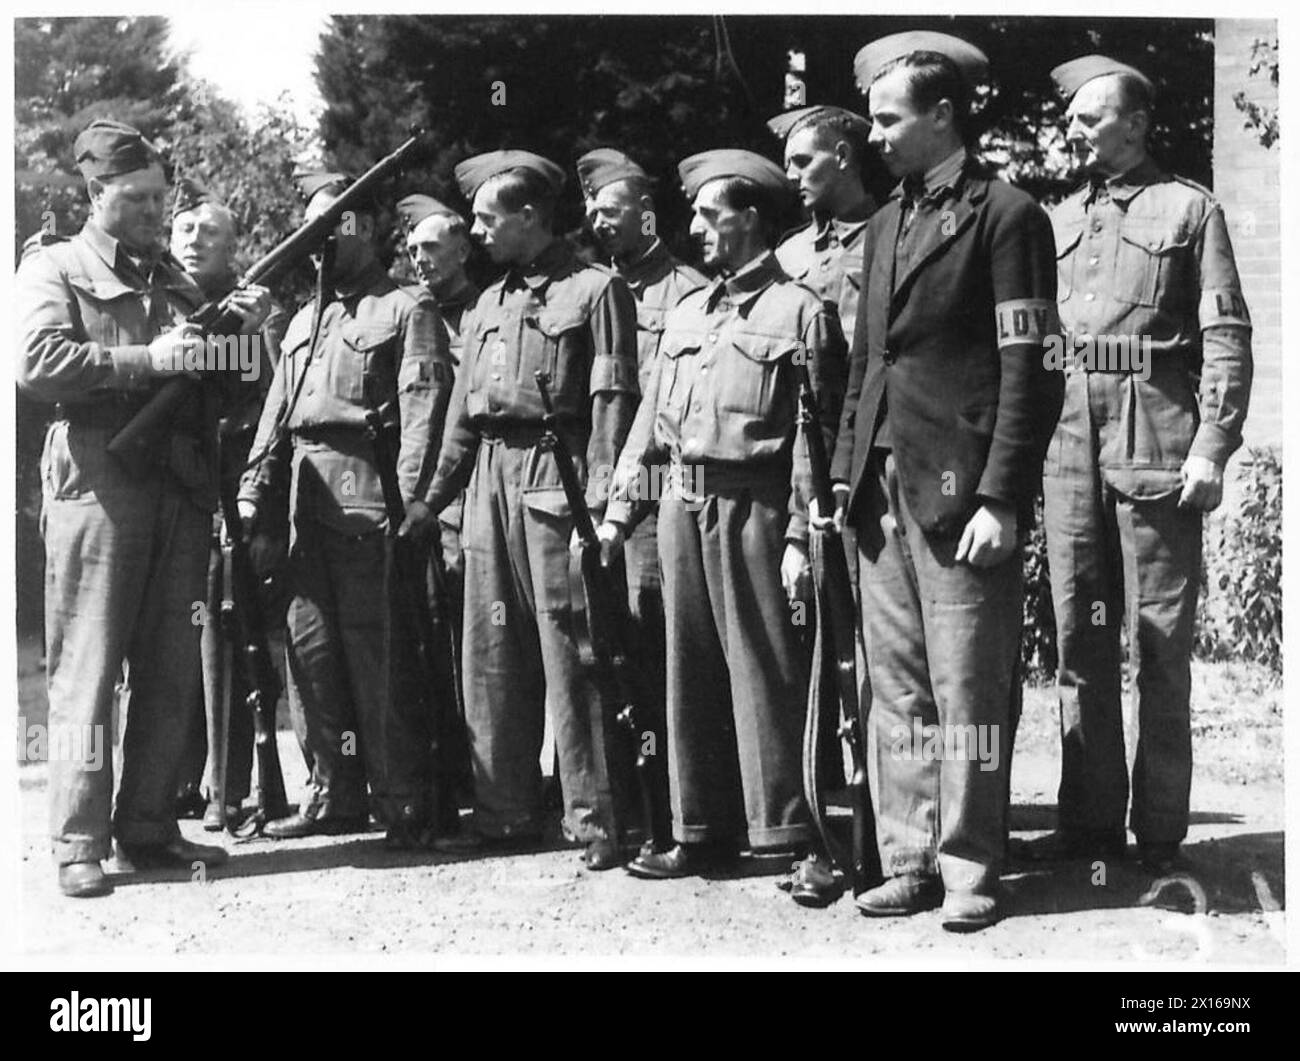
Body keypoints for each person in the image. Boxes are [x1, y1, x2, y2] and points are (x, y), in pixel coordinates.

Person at [827, 33, 1062, 930]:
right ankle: (910, 857)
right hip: (882, 489)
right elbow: (865, 367)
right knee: (899, 686)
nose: (876, 136)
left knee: (967, 686)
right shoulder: (885, 221)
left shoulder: (1008, 216)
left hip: (962, 489)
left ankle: (970, 864)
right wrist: (845, 477)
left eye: (890, 119)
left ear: (942, 115)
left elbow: (1031, 366)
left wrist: (1003, 496)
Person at [16, 118, 268, 897]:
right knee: (88, 666)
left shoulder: (179, 281)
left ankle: (150, 825)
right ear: (97, 193)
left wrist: (245, 338)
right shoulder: (54, 265)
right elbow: (35, 361)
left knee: (168, 665)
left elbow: (228, 388)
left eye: (163, 196)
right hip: (99, 478)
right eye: (141, 197)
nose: (160, 210)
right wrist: (142, 359)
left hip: (179, 483)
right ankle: (78, 841)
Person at [599, 149, 847, 880]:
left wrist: (803, 531)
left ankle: (792, 832)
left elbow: (815, 434)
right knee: (689, 667)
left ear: (750, 218)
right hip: (679, 502)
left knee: (767, 667)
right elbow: (648, 420)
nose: (698, 228)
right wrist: (619, 511)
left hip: (756, 504)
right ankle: (699, 827)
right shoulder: (686, 312)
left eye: (712, 214)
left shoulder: (801, 310)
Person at [1037, 56, 1253, 875]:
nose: (1075, 130)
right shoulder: (1054, 220)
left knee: (1159, 643)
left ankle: (1159, 828)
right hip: (1067, 444)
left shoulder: (1191, 209)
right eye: (1073, 119)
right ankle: (1089, 820)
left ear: (1136, 123)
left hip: (1155, 436)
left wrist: (1212, 444)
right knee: (1076, 637)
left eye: (1092, 119)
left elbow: (1227, 336)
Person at [417, 150, 641, 870]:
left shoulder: (597, 291)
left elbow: (613, 404)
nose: (476, 233)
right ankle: (505, 810)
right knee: (491, 654)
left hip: (559, 476)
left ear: (529, 216)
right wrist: (431, 502)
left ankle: (597, 817)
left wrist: (605, 507)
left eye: (487, 219)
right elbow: (460, 415)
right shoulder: (486, 302)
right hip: (489, 479)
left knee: (572, 652)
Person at [236, 171, 453, 848]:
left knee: (377, 649)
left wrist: (415, 500)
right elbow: (278, 414)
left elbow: (423, 410)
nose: (315, 247)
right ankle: (333, 791)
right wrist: (251, 490)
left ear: (357, 228)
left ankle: (402, 798)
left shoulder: (404, 309)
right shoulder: (305, 318)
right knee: (310, 651)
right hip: (305, 497)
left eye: (327, 230)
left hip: (368, 490)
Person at [576, 148, 706, 840]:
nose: (598, 221)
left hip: (659, 492)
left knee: (657, 639)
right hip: (599, 491)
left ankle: (679, 806)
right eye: (591, 210)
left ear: (647, 215)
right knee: (603, 649)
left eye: (611, 210)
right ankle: (616, 809)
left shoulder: (686, 290)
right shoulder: (591, 289)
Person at [169, 178, 285, 831]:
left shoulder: (250, 316)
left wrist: (252, 512)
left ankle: (230, 786)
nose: (193, 240)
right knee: (165, 643)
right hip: (167, 494)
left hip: (224, 501)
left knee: (224, 639)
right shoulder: (160, 303)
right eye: (185, 229)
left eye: (209, 232)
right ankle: (173, 781)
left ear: (235, 246)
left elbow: (260, 418)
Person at [769, 105, 877, 345]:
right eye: (787, 165)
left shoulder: (891, 236)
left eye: (802, 161)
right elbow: (791, 344)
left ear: (842, 156)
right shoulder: (787, 252)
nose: (791, 176)